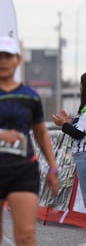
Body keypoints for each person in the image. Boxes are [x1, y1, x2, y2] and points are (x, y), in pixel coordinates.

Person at [0, 36, 59, 246]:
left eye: (8, 56)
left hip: (23, 170)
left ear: (18, 60)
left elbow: (41, 132)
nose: (3, 61)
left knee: (26, 234)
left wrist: (53, 168)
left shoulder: (30, 95)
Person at [52, 72, 86, 208]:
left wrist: (63, 125)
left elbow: (79, 134)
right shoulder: (83, 109)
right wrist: (69, 122)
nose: (80, 87)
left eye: (81, 84)